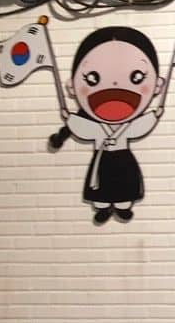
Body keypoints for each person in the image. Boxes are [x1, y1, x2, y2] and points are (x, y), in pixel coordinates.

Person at [58, 27, 166, 224]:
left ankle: (123, 206)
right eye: (92, 79)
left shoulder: (127, 127)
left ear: (157, 85)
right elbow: (84, 129)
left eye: (136, 78)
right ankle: (102, 207)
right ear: (72, 86)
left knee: (124, 184)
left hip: (122, 157)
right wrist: (70, 119)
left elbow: (138, 126)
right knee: (102, 186)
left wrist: (154, 115)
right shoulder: (97, 128)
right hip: (103, 158)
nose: (115, 87)